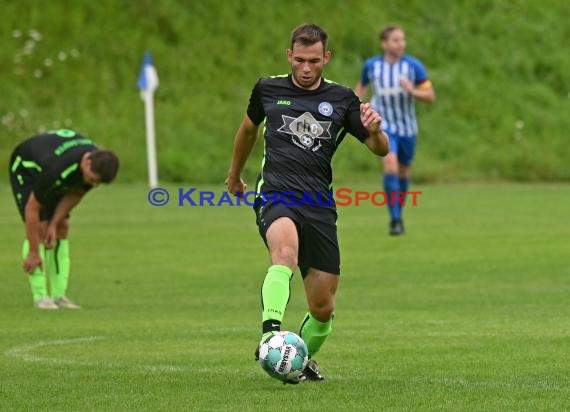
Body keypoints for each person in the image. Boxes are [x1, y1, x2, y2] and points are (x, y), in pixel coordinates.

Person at [225, 23, 389, 383]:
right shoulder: (268, 88)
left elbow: (381, 150)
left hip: (318, 204)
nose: (306, 68)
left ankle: (299, 358)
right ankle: (271, 333)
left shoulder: (344, 99)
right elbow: (248, 130)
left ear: (325, 58)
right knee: (284, 254)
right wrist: (235, 174)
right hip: (276, 193)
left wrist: (375, 130)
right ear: (289, 56)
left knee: (323, 307)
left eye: (314, 61)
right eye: (299, 60)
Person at [9, 129, 119, 309]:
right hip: (27, 167)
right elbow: (32, 208)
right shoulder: (56, 168)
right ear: (87, 161)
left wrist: (54, 223)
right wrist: (34, 252)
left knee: (62, 227)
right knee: (41, 228)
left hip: (54, 169)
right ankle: (41, 297)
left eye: (96, 183)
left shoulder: (95, 167)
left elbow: (77, 192)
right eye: (91, 179)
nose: (92, 184)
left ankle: (59, 296)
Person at [355, 25, 435, 235]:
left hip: (407, 128)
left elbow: (430, 95)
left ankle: (398, 212)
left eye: (402, 40)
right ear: (384, 44)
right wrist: (355, 109)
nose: (401, 44)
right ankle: (395, 220)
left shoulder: (413, 66)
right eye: (396, 40)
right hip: (383, 125)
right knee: (389, 165)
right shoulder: (371, 66)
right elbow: (360, 90)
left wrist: (412, 90)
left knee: (403, 173)